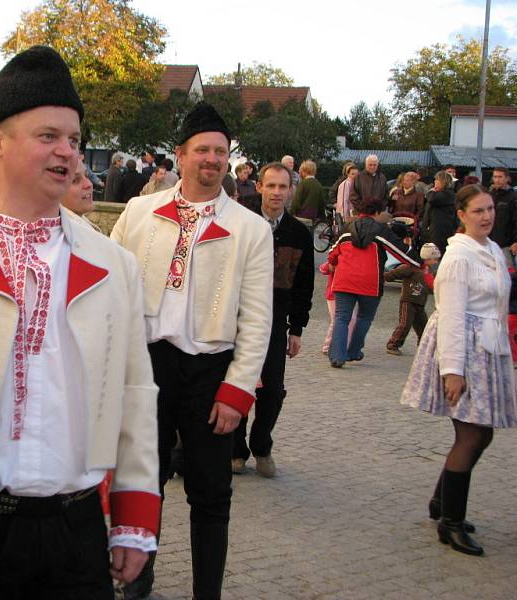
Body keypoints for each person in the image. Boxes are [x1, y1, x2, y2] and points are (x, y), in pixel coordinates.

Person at [0, 46, 160, 599]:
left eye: (73, 138)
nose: (67, 152)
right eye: (48, 136)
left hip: (77, 527)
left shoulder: (114, 263)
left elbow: (136, 391)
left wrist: (135, 517)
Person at [112, 102, 273, 600]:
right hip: (147, 365)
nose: (212, 159)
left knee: (211, 494)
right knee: (142, 480)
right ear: (180, 156)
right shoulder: (139, 213)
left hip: (210, 372)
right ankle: (138, 582)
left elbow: (258, 319)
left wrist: (238, 389)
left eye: (220, 152)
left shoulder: (251, 228)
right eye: (202, 149)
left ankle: (208, 592)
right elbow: (109, 282)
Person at [401, 184, 517, 557]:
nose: (486, 216)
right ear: (462, 216)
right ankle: (449, 524)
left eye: (489, 210)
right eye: (478, 211)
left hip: (487, 349)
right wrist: (453, 370)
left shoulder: (493, 251)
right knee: (470, 437)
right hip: (463, 351)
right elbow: (449, 315)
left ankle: (441, 503)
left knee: (481, 436)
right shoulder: (458, 257)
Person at [232, 162, 314, 478]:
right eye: (271, 186)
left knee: (272, 389)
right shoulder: (244, 222)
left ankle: (261, 444)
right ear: (261, 187)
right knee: (239, 382)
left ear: (290, 190)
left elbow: (304, 284)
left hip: (275, 320)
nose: (277, 192)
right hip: (238, 317)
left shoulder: (298, 233)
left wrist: (298, 328)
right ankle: (235, 449)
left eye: (283, 187)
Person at [327, 197, 419, 368]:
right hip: (370, 282)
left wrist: (332, 262)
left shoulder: (347, 229)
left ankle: (337, 356)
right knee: (364, 317)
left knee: (341, 317)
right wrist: (419, 262)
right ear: (377, 212)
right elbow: (402, 253)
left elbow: (333, 252)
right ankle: (354, 351)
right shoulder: (381, 231)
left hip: (345, 279)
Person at [385, 243, 440, 356]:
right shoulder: (412, 267)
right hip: (408, 300)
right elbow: (396, 273)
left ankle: (423, 346)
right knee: (405, 324)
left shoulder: (428, 271)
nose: (436, 262)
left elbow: (431, 285)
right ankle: (393, 344)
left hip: (420, 302)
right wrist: (385, 277)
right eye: (435, 259)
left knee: (423, 326)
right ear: (427, 258)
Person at [488, 167, 517, 268]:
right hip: (488, 243)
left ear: (507, 179)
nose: (497, 179)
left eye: (500, 177)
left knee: (508, 276)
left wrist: (515, 242)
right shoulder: (489, 195)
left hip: (505, 245)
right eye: (495, 177)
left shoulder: (513, 197)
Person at [422, 171, 457, 254]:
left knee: (437, 254)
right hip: (432, 229)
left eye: (437, 180)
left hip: (440, 231)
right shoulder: (438, 194)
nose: (434, 182)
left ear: (443, 182)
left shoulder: (448, 194)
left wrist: (431, 191)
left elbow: (432, 199)